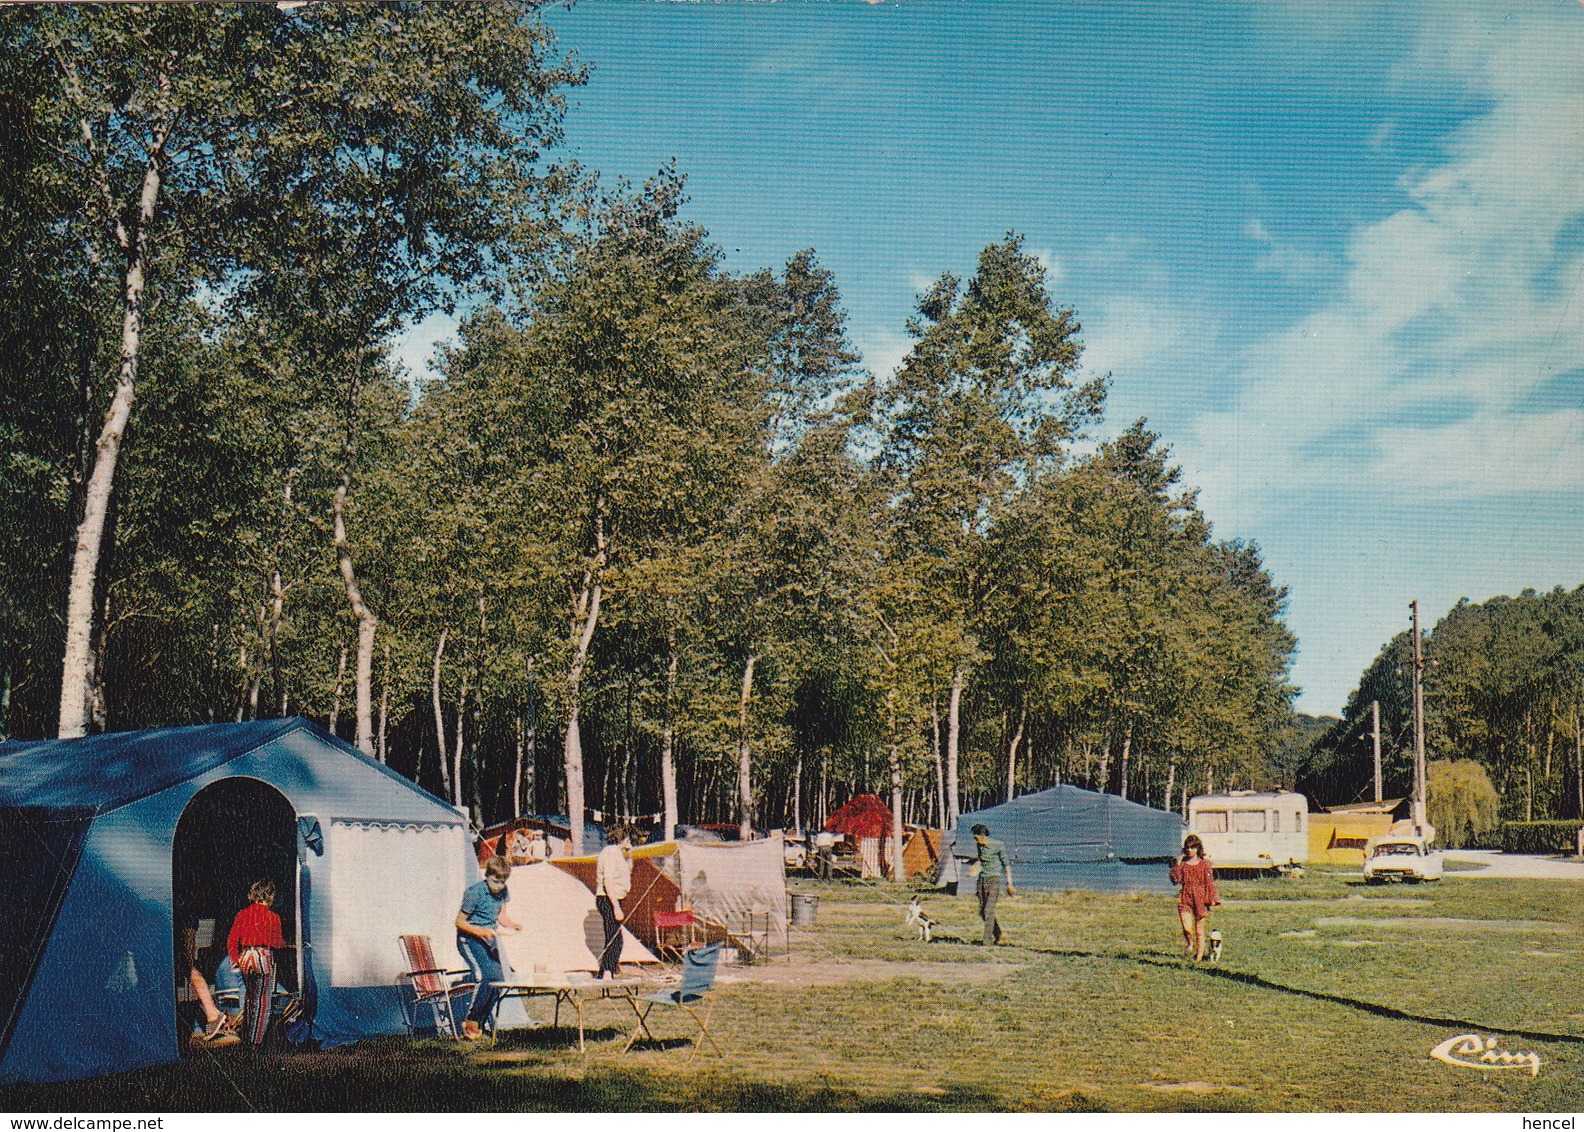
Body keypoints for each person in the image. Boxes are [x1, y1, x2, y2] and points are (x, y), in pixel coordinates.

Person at [455, 856, 521, 1039]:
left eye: (503, 882)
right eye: (495, 881)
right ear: (487, 875)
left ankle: (479, 1025)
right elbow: (459, 922)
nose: (499, 886)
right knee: (485, 976)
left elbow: (501, 916)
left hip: (488, 939)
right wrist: (480, 931)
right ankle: (471, 1020)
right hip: (469, 938)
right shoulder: (474, 892)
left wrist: (512, 925)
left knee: (498, 979)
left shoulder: (502, 892)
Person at [227, 879, 287, 1047]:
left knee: (250, 999)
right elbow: (277, 942)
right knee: (262, 1002)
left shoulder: (242, 914)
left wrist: (234, 960)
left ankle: (247, 1036)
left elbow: (232, 940)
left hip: (245, 956)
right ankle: (255, 1042)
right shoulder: (273, 917)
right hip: (262, 957)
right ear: (270, 896)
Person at [1169, 834, 1221, 962]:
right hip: (1185, 896)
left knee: (1199, 929)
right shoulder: (1183, 864)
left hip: (1200, 897)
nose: (1190, 850)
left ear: (1198, 848)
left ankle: (1198, 957)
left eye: (1193, 848)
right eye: (1187, 848)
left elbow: (1209, 883)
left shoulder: (1204, 864)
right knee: (1187, 928)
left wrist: (1213, 898)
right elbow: (1176, 880)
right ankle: (1190, 943)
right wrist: (1177, 864)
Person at [594, 823, 634, 979]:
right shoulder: (610, 853)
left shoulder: (618, 854)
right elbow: (608, 881)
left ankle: (608, 969)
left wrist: (629, 856)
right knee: (614, 937)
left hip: (616, 898)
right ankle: (606, 971)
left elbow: (628, 871)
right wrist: (616, 907)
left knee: (616, 937)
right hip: (608, 898)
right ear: (623, 838)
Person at [971, 823, 1015, 945]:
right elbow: (981, 860)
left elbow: (1006, 864)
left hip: (994, 880)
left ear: (983, 835)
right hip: (982, 880)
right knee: (982, 911)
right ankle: (998, 933)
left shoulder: (998, 845)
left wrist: (1009, 883)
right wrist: (974, 869)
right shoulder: (980, 846)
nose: (975, 841)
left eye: (976, 838)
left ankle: (986, 942)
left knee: (988, 910)